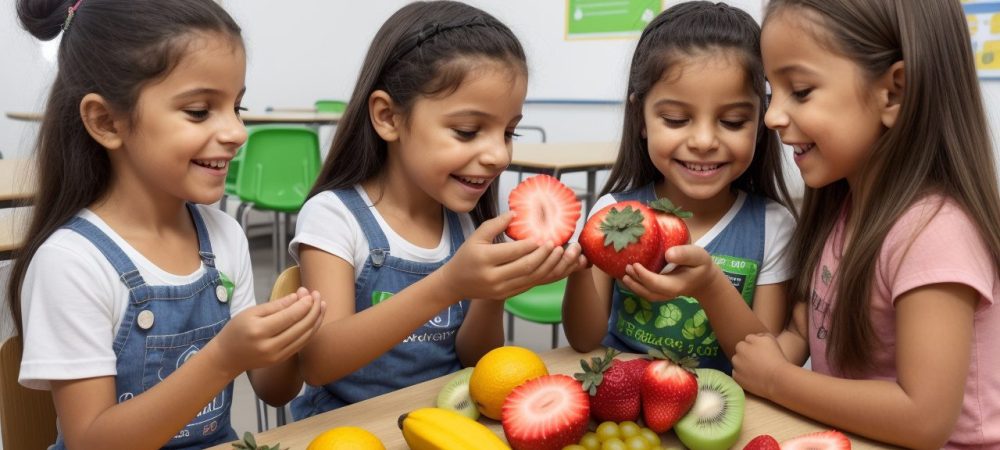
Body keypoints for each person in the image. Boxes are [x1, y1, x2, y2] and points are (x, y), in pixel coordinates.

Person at [8, 1, 326, 448]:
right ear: (105, 121)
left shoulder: (224, 235)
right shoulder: (71, 263)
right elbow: (91, 441)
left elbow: (275, 390)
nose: (237, 131)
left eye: (238, 106)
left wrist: (291, 338)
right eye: (199, 110)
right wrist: (221, 357)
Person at [289, 1, 586, 419]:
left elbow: (475, 359)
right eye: (468, 132)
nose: (499, 155)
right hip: (349, 427)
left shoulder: (465, 223)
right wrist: (448, 284)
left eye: (508, 132)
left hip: (447, 420)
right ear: (388, 117)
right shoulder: (335, 217)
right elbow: (320, 362)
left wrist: (490, 293)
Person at [727, 1, 1000, 448]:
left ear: (893, 92)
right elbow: (804, 329)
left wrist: (777, 381)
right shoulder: (843, 209)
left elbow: (923, 419)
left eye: (800, 90)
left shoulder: (935, 234)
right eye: (772, 91)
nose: (772, 117)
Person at [561, 1, 796, 374]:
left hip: (714, 414)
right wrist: (576, 266)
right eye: (676, 119)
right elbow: (584, 339)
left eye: (733, 121)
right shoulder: (614, 215)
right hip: (624, 408)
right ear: (641, 117)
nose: (703, 141)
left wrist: (709, 286)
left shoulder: (773, 226)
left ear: (761, 118)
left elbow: (765, 362)